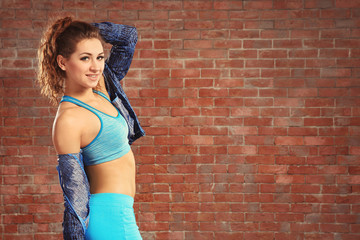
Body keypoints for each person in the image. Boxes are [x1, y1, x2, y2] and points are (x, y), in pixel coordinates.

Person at [37, 16, 145, 239]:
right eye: (85, 58)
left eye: (99, 57)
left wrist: (77, 30)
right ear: (62, 62)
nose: (95, 66)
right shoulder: (69, 119)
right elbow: (74, 198)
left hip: (122, 211)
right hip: (109, 218)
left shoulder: (102, 86)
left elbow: (128, 37)